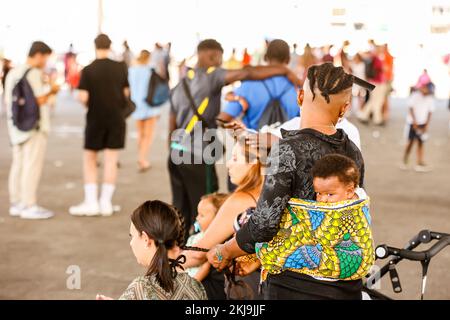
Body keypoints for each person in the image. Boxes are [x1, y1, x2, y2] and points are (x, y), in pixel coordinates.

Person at [207, 62, 369, 300]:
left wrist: (225, 250)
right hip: (345, 286)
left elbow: (264, 224)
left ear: (300, 97)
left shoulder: (287, 151)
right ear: (344, 109)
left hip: (295, 286)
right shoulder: (353, 152)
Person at [168, 38, 301, 239]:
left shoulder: (182, 83)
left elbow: (178, 121)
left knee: (181, 205)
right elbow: (247, 72)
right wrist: (286, 72)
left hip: (180, 151)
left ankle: (177, 251)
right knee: (207, 204)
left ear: (266, 57)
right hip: (278, 156)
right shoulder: (297, 88)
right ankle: (201, 252)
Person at [181, 136, 264, 299]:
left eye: (234, 158)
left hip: (243, 287)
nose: (228, 164)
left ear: (254, 164)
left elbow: (198, 253)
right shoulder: (273, 196)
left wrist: (163, 265)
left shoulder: (242, 200)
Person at [96, 200, 207, 300]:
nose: (131, 243)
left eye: (132, 236)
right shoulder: (195, 286)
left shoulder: (140, 289)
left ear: (145, 239)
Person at [69, 34, 130, 217]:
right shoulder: (121, 67)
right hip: (116, 119)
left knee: (90, 159)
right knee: (111, 160)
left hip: (95, 118)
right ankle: (106, 203)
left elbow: (83, 97)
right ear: (110, 46)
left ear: (95, 46)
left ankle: (91, 202)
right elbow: (126, 93)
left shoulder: (88, 69)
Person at [5, 41, 60, 219]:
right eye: (45, 57)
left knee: (18, 164)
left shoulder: (13, 72)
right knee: (32, 166)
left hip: (16, 126)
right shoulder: (34, 73)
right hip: (34, 128)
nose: (45, 62)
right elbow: (40, 100)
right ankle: (29, 204)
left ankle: (17, 203)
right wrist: (52, 90)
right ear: (38, 55)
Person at [217, 39, 300, 131]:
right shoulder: (298, 88)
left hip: (253, 142)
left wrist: (241, 132)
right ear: (288, 60)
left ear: (265, 57)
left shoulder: (248, 85)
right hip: (287, 143)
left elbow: (222, 120)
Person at [128, 50, 163, 172]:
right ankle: (143, 159)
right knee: (148, 135)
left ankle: (141, 156)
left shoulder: (131, 71)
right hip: (150, 106)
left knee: (140, 134)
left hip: (137, 106)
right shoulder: (151, 70)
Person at [185, 193, 229, 281]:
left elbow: (204, 268)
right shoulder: (195, 237)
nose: (197, 218)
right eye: (198, 214)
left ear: (218, 219)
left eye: (202, 215)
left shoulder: (218, 243)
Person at [401, 81, 435, 172]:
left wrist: (427, 124)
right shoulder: (415, 95)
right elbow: (411, 108)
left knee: (421, 142)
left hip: (422, 123)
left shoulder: (430, 98)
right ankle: (405, 160)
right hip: (413, 122)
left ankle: (420, 162)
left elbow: (430, 112)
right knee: (410, 142)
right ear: (424, 87)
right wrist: (415, 122)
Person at [357, 46, 387, 125]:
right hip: (378, 82)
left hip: (373, 82)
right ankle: (377, 119)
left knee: (373, 100)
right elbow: (381, 69)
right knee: (377, 100)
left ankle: (365, 116)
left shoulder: (371, 58)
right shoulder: (376, 59)